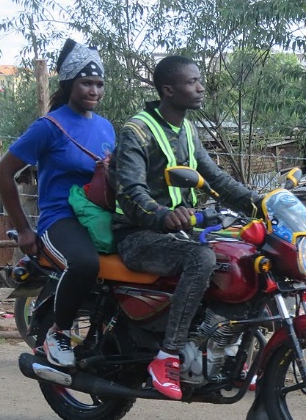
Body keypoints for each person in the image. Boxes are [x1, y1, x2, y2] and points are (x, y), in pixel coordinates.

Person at [110, 55, 260, 400]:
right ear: (168, 89)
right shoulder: (137, 130)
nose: (200, 86)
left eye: (199, 80)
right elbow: (130, 190)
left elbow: (216, 179)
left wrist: (260, 204)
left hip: (178, 231)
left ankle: (228, 352)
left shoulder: (188, 131)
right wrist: (162, 214)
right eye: (192, 81)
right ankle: (168, 355)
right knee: (201, 259)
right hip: (137, 235)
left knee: (245, 256)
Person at [0, 39, 115, 368]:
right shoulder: (50, 127)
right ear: (69, 84)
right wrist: (23, 229)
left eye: (99, 84)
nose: (94, 90)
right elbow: (3, 172)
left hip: (99, 216)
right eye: (86, 83)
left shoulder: (105, 127)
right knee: (85, 263)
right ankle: (58, 333)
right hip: (61, 218)